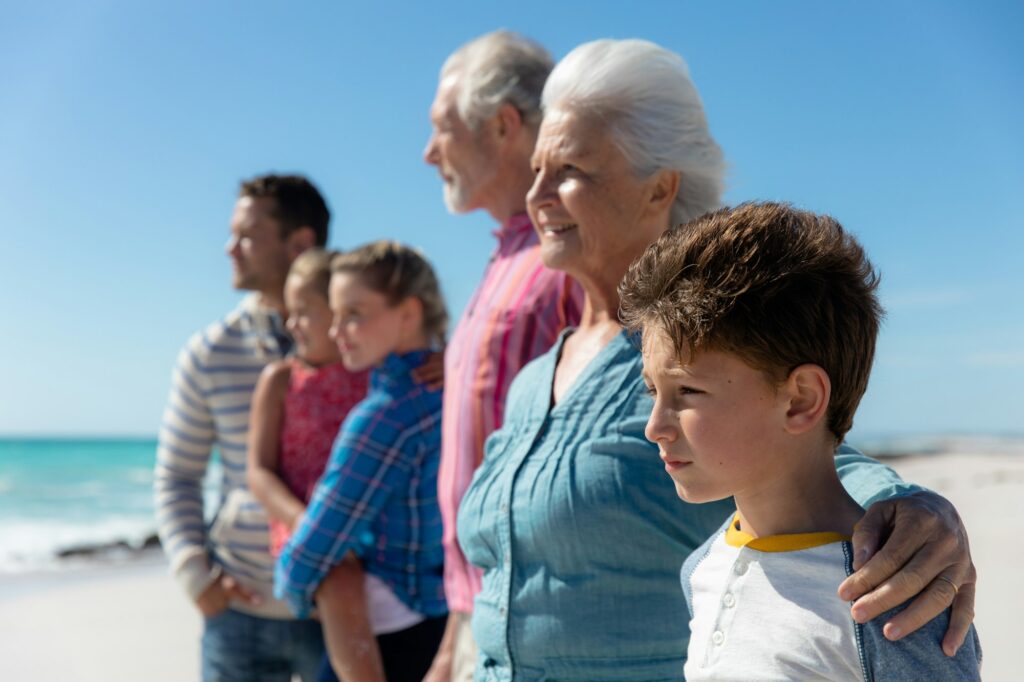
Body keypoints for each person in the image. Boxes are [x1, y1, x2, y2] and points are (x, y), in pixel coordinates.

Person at [456, 39, 978, 680]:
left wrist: (917, 515)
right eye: (535, 169)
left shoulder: (714, 361)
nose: (536, 194)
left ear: (660, 188)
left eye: (569, 170)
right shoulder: (537, 376)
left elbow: (813, 459)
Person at [622, 201, 982, 680]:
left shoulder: (892, 601)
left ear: (800, 401)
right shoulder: (703, 567)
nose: (655, 426)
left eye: (687, 390)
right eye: (653, 391)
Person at [422, 30, 583, 681]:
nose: (429, 152)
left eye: (442, 128)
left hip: (540, 625)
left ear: (504, 125)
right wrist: (454, 634)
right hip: (484, 613)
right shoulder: (507, 258)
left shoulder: (573, 255)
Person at [155, 174, 330, 680]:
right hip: (239, 612)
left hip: (347, 605)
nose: (230, 249)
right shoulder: (209, 352)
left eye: (247, 236)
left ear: (300, 242)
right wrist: (195, 576)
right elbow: (177, 476)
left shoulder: (364, 338)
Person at [275, 241, 449, 682]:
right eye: (334, 315)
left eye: (353, 313)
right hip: (442, 622)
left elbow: (311, 553)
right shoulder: (459, 387)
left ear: (409, 313)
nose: (337, 331)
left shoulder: (386, 415)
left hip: (384, 636)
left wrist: (294, 590)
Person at [246, 248, 368, 557]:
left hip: (370, 530)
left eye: (301, 312)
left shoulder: (377, 372)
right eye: (289, 312)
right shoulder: (281, 380)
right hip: (304, 530)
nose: (290, 324)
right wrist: (305, 524)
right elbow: (259, 472)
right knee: (340, 583)